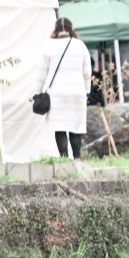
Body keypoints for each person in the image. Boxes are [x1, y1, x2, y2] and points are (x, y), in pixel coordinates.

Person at [36, 16, 93, 159]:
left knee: (59, 127)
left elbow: (41, 73)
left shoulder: (48, 46)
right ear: (70, 29)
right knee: (76, 127)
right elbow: (87, 72)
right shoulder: (80, 46)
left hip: (57, 94)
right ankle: (77, 159)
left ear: (56, 30)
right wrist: (87, 91)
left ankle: (64, 159)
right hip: (77, 92)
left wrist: (38, 92)